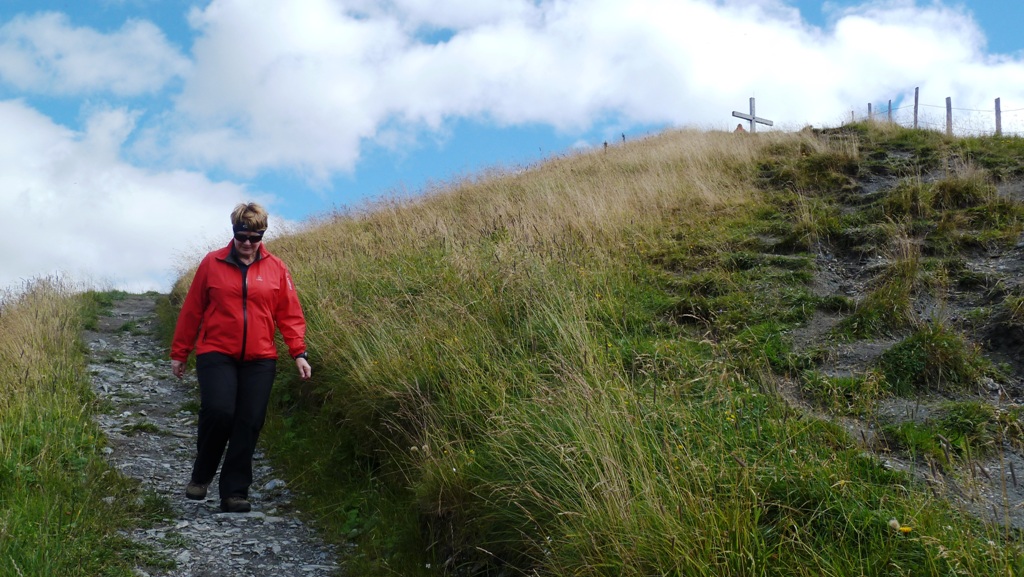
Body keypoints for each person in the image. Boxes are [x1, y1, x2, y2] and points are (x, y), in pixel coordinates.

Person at [170, 202, 312, 513]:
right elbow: (192, 310)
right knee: (219, 411)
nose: (247, 243)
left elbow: (289, 314)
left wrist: (298, 353)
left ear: (263, 234)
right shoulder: (212, 263)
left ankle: (234, 493)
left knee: (249, 422)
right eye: (241, 236)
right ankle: (202, 475)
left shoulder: (277, 268)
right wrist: (180, 352)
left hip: (260, 357)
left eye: (255, 237)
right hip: (216, 352)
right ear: (233, 232)